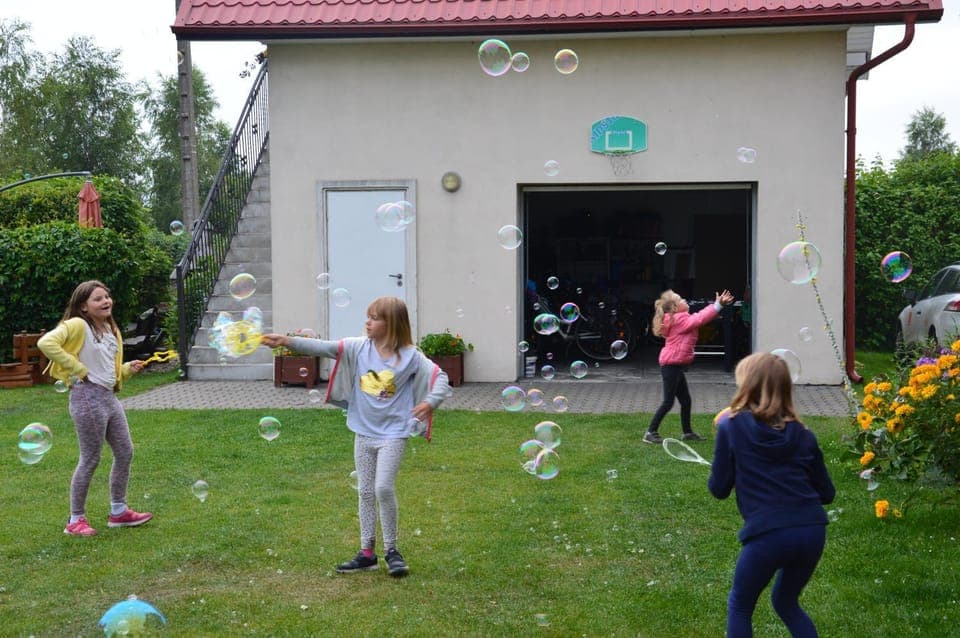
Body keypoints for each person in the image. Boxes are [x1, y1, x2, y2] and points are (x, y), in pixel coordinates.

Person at [261, 296, 452, 577]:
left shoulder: (410, 356)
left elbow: (441, 378)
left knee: (383, 488)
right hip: (363, 431)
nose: (368, 322)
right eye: (368, 316)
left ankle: (392, 551)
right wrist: (286, 341)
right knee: (364, 491)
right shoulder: (358, 348)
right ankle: (367, 553)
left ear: (393, 324)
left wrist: (429, 402)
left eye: (375, 318)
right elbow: (323, 347)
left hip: (393, 434)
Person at [708, 352, 836, 638]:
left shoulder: (731, 426)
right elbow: (827, 493)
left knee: (740, 604)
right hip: (811, 531)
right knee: (786, 601)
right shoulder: (804, 433)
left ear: (747, 386)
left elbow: (719, 489)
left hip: (768, 535)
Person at [37, 280, 153, 537]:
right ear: (84, 306)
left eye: (107, 296)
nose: (106, 301)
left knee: (125, 451)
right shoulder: (78, 325)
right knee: (91, 458)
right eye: (98, 299)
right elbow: (46, 343)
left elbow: (106, 371)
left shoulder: (111, 330)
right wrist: (78, 369)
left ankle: (119, 511)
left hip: (108, 397)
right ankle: (75, 520)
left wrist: (126, 370)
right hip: (87, 398)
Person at [643, 288, 735, 444]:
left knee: (685, 400)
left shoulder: (679, 318)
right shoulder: (680, 320)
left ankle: (687, 433)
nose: (685, 300)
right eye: (681, 300)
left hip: (675, 366)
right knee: (668, 402)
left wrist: (716, 305)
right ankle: (650, 432)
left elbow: (697, 317)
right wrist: (717, 305)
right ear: (674, 308)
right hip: (671, 366)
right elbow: (699, 319)